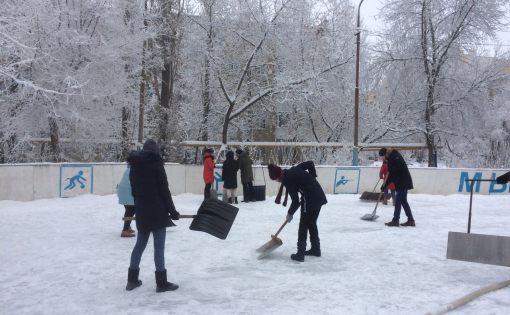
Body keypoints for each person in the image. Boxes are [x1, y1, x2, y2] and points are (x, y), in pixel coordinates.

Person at [125, 139, 180, 293]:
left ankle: (132, 280)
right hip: (157, 211)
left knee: (140, 245)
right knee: (158, 247)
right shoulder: (156, 164)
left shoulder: (134, 166)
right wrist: (173, 211)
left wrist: (140, 207)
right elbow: (164, 190)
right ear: (156, 151)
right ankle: (161, 283)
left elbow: (134, 191)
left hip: (142, 210)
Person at [268, 161, 327, 262]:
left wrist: (289, 214)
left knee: (303, 225)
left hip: (310, 199)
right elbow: (310, 164)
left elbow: (295, 201)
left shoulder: (288, 180)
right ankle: (316, 249)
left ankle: (300, 254)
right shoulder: (294, 169)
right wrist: (312, 179)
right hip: (319, 196)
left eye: (276, 179)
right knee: (311, 223)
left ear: (278, 177)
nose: (277, 181)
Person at [379, 147, 416, 227]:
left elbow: (392, 174)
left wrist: (384, 185)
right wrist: (384, 185)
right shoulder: (393, 156)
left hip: (402, 182)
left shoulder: (394, 157)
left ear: (385, 154)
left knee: (398, 201)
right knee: (403, 201)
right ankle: (410, 220)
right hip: (402, 182)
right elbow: (392, 173)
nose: (382, 159)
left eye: (382, 157)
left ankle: (395, 221)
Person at [117, 165, 136, 238]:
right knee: (130, 211)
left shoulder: (129, 168)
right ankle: (125, 230)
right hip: (128, 192)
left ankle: (127, 227)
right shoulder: (136, 169)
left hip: (123, 191)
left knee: (129, 210)